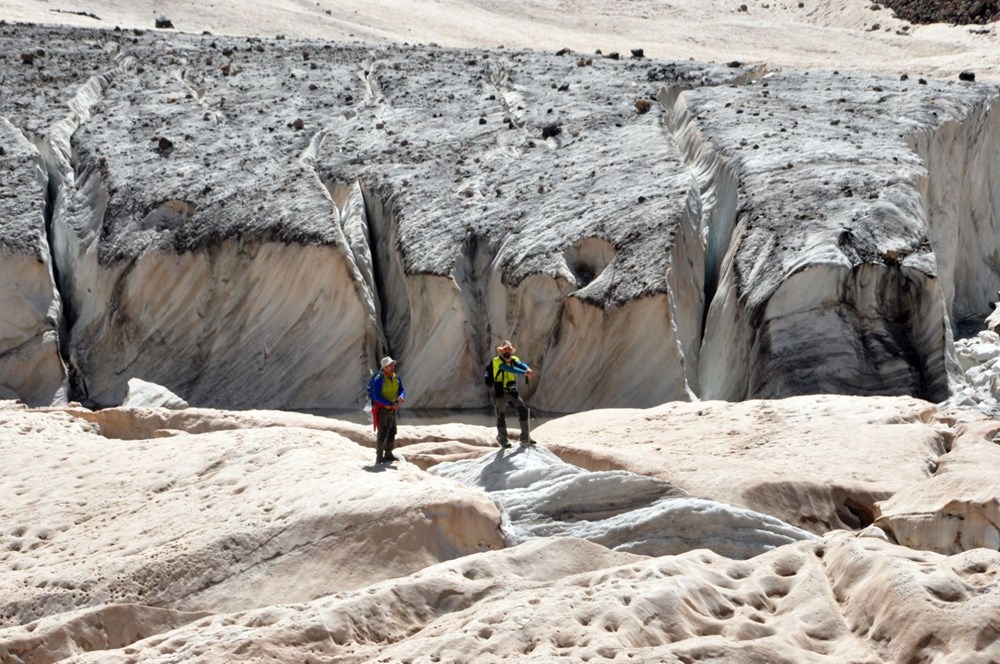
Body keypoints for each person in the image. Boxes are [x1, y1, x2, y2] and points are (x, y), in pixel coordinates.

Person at [489, 340, 535, 448]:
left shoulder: (514, 359)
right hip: (501, 391)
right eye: (505, 349)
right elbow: (508, 368)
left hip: (512, 389)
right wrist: (524, 373)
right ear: (501, 350)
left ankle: (525, 437)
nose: (507, 350)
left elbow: (520, 364)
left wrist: (527, 369)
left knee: (523, 410)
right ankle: (503, 439)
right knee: (500, 414)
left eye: (509, 349)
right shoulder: (496, 360)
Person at [371, 356, 405, 463]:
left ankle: (389, 454)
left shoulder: (396, 378)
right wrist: (390, 404)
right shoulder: (379, 380)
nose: (392, 366)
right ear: (385, 367)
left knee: (392, 431)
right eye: (390, 365)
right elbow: (376, 396)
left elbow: (402, 390)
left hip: (392, 409)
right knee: (382, 432)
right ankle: (379, 457)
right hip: (383, 410)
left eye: (393, 364)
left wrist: (401, 396)